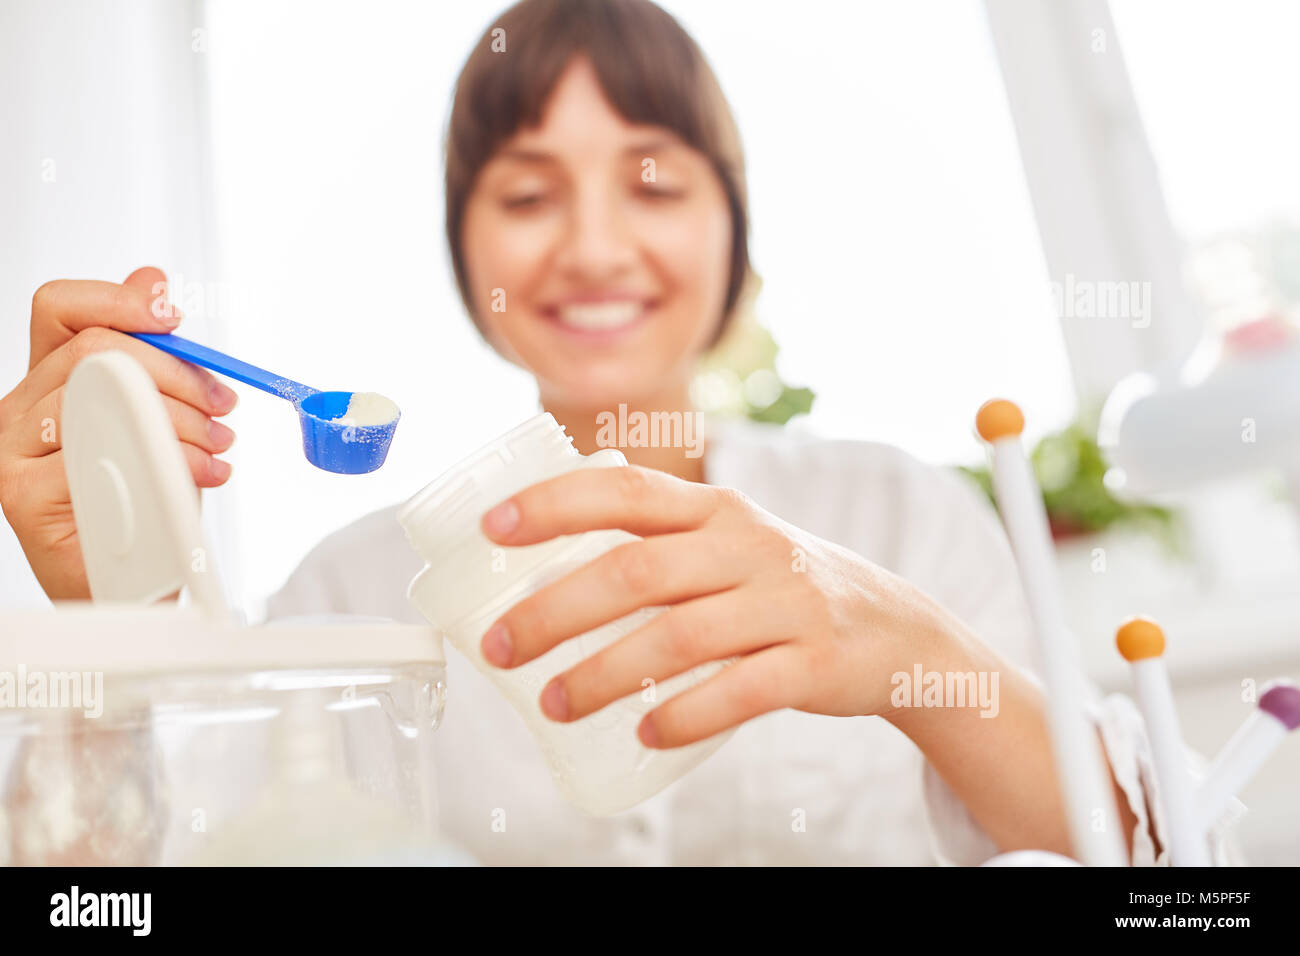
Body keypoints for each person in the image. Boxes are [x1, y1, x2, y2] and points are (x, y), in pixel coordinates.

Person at [0, 0, 1235, 865]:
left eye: (652, 181)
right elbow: (127, 887)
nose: (591, 246)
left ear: (733, 232)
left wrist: (898, 640)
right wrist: (106, 608)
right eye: (528, 193)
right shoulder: (353, 595)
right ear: (465, 250)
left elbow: (1143, 866)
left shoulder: (907, 522)